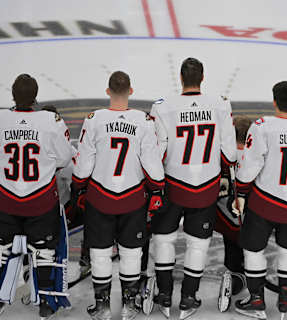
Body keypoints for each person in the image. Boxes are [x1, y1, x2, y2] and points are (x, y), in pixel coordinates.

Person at [72, 71, 166, 320]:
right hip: (132, 198)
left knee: (100, 253)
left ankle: (102, 307)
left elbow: (83, 164)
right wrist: (157, 188)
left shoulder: (94, 119)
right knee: (132, 253)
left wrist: (79, 186)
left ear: (107, 91)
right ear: (131, 91)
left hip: (100, 197)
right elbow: (152, 164)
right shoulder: (144, 121)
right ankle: (129, 305)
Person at [150, 57, 237, 320]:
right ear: (202, 78)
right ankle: (189, 297)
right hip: (206, 185)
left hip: (172, 183)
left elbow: (158, 151)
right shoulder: (220, 104)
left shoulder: (162, 107)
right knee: (198, 245)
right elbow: (230, 153)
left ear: (181, 77)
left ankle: (164, 294)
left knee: (164, 240)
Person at [231, 81, 287, 320]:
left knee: (253, 251)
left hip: (265, 202)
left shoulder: (262, 126)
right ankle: (284, 300)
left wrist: (240, 193)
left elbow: (251, 165)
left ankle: (257, 301)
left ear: (274, 101)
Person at [0, 74, 74, 319]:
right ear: (35, 96)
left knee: (1, 250)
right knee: (44, 253)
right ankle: (45, 302)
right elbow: (64, 159)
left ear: (13, 94)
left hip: (6, 200)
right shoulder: (50, 120)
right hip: (40, 200)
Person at [216, 115, 252, 312]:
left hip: (225, 215)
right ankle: (248, 273)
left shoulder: (222, 157)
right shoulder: (253, 158)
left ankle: (235, 272)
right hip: (249, 216)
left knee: (230, 237)